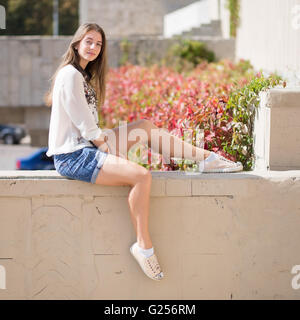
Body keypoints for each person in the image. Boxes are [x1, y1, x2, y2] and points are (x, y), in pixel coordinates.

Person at [44, 23, 243, 281]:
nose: (93, 48)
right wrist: (111, 153)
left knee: (145, 128)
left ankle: (207, 159)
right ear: (77, 43)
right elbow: (86, 127)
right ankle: (143, 246)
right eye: (89, 41)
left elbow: (91, 129)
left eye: (99, 44)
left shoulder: (82, 76)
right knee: (141, 176)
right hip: (74, 156)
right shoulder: (70, 75)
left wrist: (108, 145)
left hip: (88, 145)